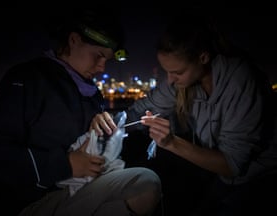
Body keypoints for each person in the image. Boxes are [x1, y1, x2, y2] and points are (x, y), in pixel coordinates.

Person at [90, 11, 277, 216]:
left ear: (203, 57)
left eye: (177, 72)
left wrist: (171, 142)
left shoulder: (241, 81)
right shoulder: (181, 83)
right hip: (219, 176)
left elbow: (233, 165)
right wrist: (111, 122)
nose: (170, 80)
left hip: (259, 176)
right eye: (166, 71)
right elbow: (140, 109)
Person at [0, 7, 162, 216]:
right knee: (145, 184)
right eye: (98, 55)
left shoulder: (93, 94)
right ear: (73, 40)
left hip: (82, 190)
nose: (102, 67)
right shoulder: (26, 79)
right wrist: (66, 164)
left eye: (107, 60)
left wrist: (106, 132)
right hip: (33, 201)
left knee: (143, 188)